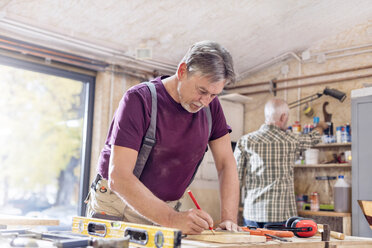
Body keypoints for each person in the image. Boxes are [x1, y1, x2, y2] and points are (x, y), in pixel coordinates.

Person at [85, 41, 240, 234]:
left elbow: (226, 163)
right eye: (202, 91)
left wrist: (229, 219)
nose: (206, 102)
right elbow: (119, 177)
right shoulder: (139, 99)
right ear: (182, 70)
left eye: (213, 95)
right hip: (118, 204)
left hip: (165, 210)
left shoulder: (211, 108)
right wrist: (171, 219)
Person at [234, 98, 328, 228]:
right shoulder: (290, 140)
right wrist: (320, 126)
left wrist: (232, 214)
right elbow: (312, 138)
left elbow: (234, 179)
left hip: (252, 214)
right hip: (280, 216)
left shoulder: (245, 141)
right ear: (283, 117)